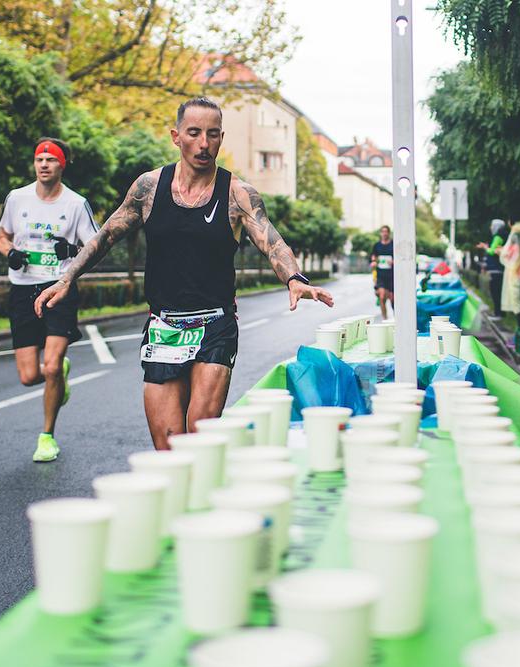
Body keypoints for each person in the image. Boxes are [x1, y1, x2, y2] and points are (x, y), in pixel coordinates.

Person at [34, 97, 333, 449]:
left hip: (215, 325)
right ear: (177, 136)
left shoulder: (237, 193)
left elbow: (271, 239)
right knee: (168, 445)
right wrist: (67, 278)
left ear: (221, 138)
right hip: (164, 325)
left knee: (199, 436)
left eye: (212, 135)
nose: (204, 144)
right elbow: (107, 235)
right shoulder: (148, 188)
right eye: (194, 133)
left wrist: (294, 278)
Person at [0, 137, 98, 462]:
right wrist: (10, 252)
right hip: (23, 289)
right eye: (39, 159)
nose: (43, 164)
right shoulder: (17, 198)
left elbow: (95, 247)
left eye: (50, 159)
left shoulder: (75, 204)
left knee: (50, 366)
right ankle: (59, 375)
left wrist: (72, 251)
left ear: (61, 165)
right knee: (29, 376)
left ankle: (46, 436)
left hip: (59, 289)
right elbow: (2, 235)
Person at [476, 219, 509, 319]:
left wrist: (486, 248)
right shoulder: (502, 236)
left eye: (492, 225)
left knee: (496, 292)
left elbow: (492, 251)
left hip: (496, 269)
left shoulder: (498, 237)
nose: (490, 228)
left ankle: (498, 314)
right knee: (498, 292)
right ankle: (500, 313)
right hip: (499, 268)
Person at [370, 225, 395, 320]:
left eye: (386, 231)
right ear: (380, 233)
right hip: (380, 275)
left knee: (393, 300)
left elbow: (398, 258)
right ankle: (385, 319)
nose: (384, 233)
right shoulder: (377, 246)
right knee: (382, 296)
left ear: (389, 233)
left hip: (392, 276)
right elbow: (373, 258)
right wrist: (373, 263)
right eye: (382, 231)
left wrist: (393, 262)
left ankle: (396, 319)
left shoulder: (393, 245)